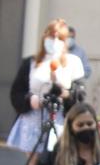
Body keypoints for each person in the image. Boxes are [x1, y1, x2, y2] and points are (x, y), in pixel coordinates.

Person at [9, 19, 81, 155]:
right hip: (33, 121)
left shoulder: (73, 63)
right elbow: (17, 91)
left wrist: (63, 93)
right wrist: (30, 100)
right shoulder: (30, 63)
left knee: (56, 161)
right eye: (51, 37)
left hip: (59, 120)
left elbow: (79, 96)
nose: (54, 41)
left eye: (59, 38)